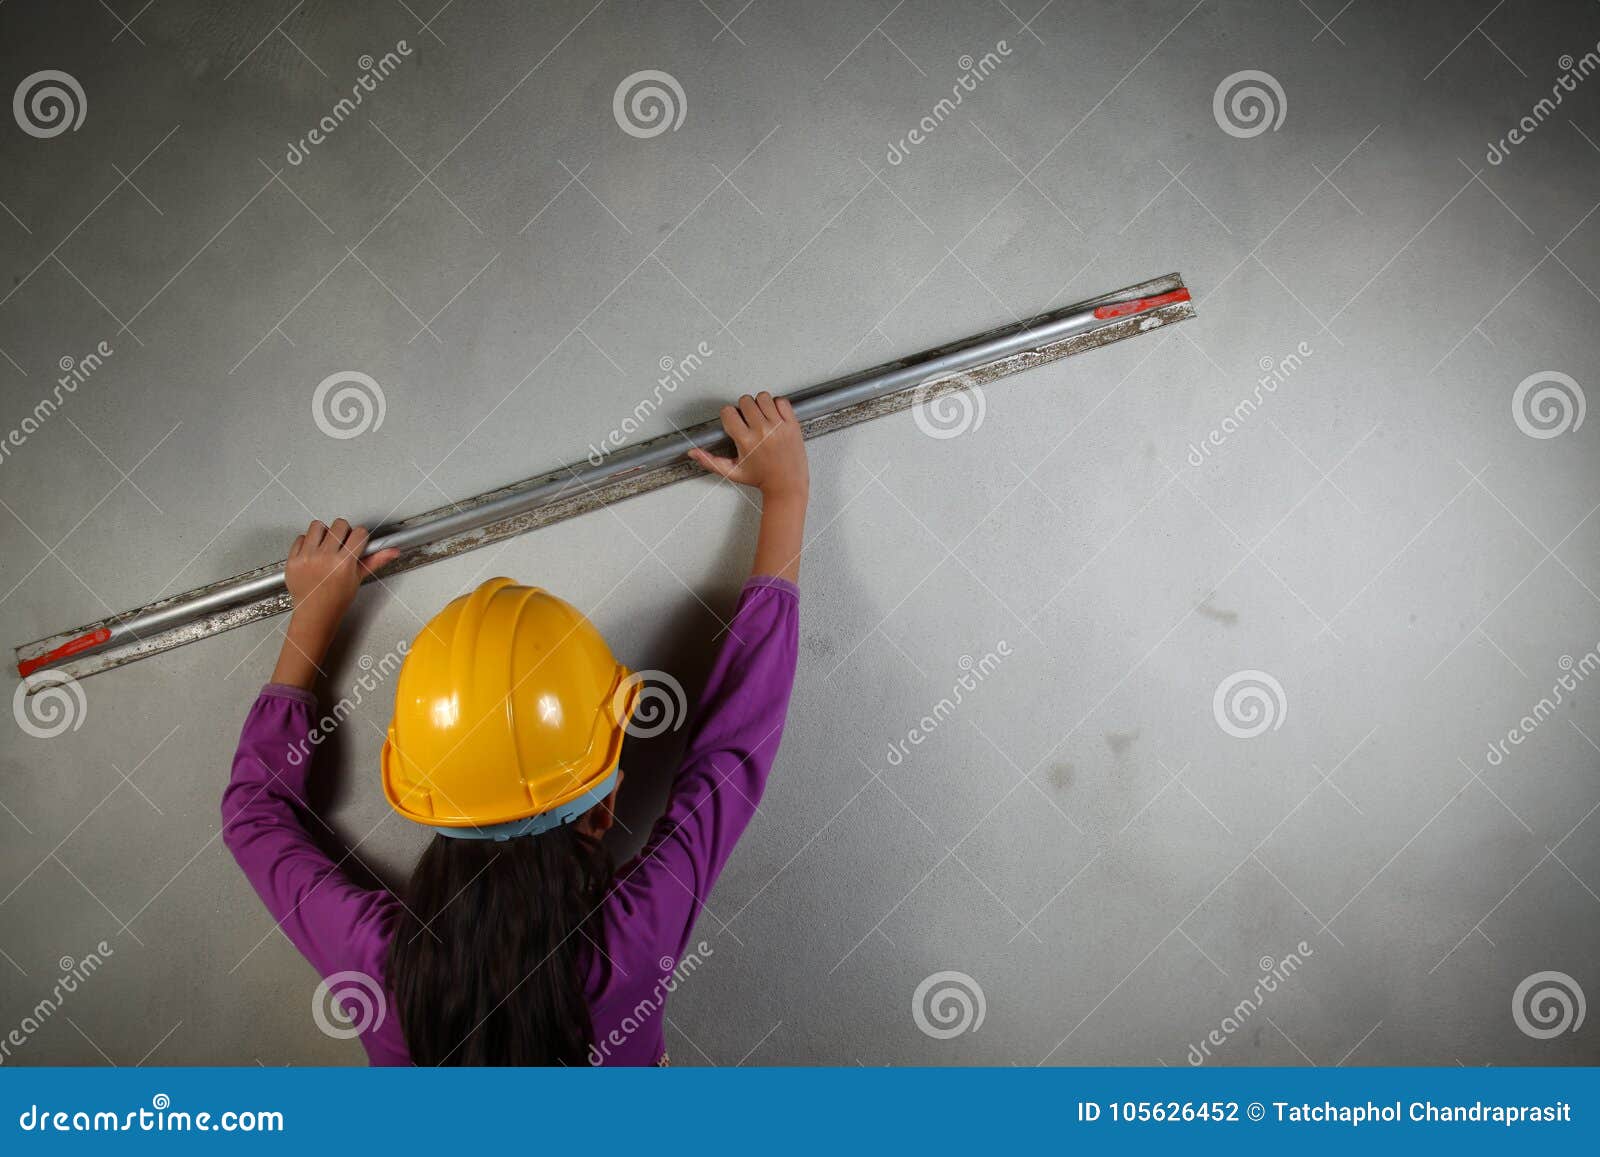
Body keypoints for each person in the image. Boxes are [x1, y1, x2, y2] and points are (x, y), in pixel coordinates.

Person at [222, 392, 808, 1065]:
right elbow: (730, 748)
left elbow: (252, 815)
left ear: (420, 784)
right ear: (605, 804)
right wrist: (786, 497)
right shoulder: (630, 943)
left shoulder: (383, 965)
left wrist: (312, 615)